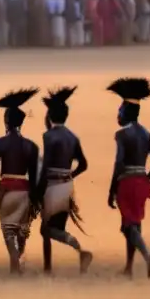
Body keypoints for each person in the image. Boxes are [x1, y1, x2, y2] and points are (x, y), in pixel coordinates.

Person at [0, 88, 41, 275]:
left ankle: (14, 261)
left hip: (5, 192)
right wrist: (36, 202)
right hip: (25, 193)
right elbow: (34, 177)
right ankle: (18, 259)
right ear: (21, 122)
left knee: (8, 231)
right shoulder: (32, 146)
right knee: (22, 232)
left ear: (6, 121)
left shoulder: (0, 143)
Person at [107, 77, 150, 278]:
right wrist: (147, 178)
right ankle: (129, 268)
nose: (118, 113)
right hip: (141, 183)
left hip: (127, 183)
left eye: (120, 110)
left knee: (127, 226)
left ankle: (148, 256)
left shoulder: (122, 135)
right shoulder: (146, 134)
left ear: (127, 112)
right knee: (135, 224)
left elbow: (119, 163)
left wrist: (112, 189)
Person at [36, 86, 92, 274]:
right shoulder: (72, 137)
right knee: (56, 227)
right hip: (67, 186)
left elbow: (46, 165)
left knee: (45, 230)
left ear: (50, 116)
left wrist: (39, 188)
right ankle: (77, 250)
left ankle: (49, 266)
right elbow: (83, 164)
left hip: (52, 186)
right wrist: (69, 176)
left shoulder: (48, 136)